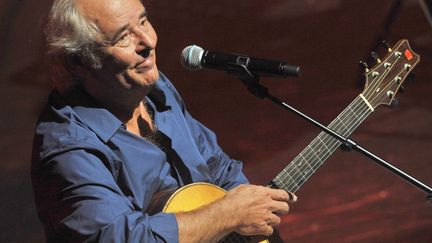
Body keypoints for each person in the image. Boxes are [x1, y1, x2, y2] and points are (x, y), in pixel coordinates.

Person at [31, 0, 298, 242]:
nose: (148, 41)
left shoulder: (156, 90)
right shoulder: (69, 149)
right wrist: (227, 215)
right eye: (124, 37)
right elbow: (122, 239)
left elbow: (217, 167)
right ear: (79, 62)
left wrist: (250, 208)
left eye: (144, 21)